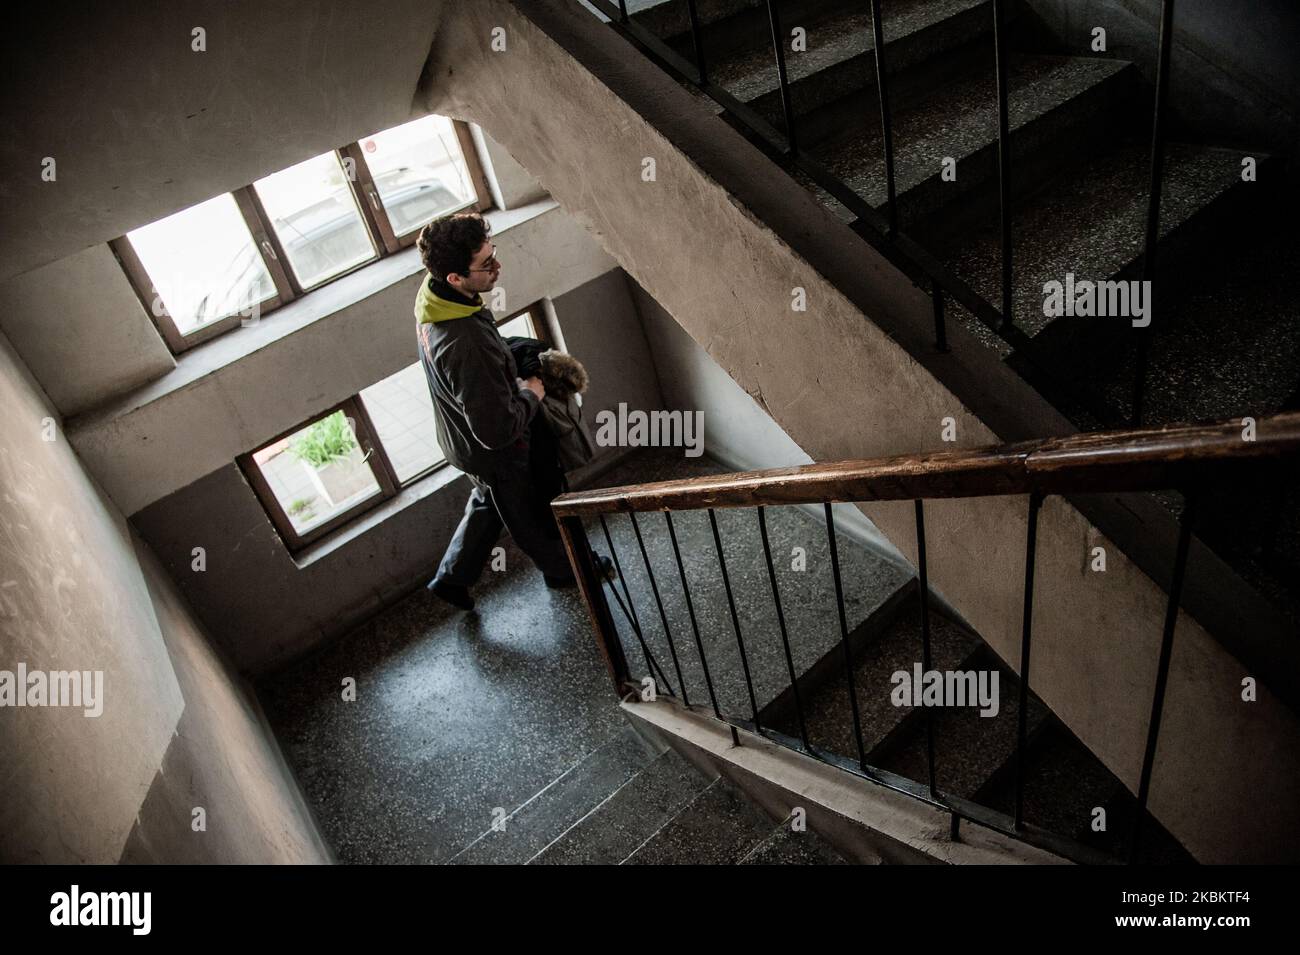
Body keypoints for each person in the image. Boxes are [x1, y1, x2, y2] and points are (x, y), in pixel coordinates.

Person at [414, 212, 608, 611]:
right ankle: (563, 572)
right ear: (455, 277)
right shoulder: (465, 343)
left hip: (461, 442)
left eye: (493, 252)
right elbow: (497, 430)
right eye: (486, 264)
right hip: (496, 451)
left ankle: (451, 579)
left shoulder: (435, 298)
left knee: (491, 503)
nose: (497, 266)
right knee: (532, 515)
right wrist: (531, 393)